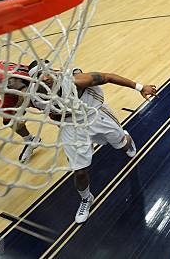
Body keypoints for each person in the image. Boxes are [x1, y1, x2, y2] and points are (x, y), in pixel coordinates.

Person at [28, 62, 157, 223]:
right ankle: (86, 198)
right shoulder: (36, 97)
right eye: (39, 75)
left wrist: (140, 87)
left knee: (122, 144)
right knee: (80, 171)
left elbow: (107, 77)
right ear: (33, 80)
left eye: (47, 72)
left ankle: (126, 139)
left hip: (95, 114)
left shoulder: (76, 81)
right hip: (71, 125)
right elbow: (52, 114)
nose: (45, 77)